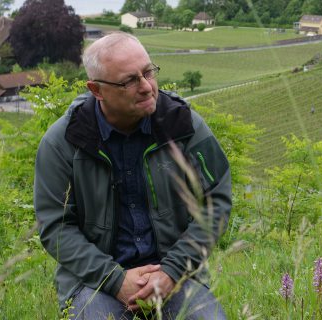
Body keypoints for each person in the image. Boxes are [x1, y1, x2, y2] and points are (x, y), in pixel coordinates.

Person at [34, 32, 231, 319]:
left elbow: (217, 201)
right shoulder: (63, 142)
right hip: (96, 283)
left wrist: (171, 271)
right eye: (129, 81)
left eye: (148, 72)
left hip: (175, 276)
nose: (147, 87)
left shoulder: (183, 124)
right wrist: (115, 280)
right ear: (97, 90)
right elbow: (55, 227)